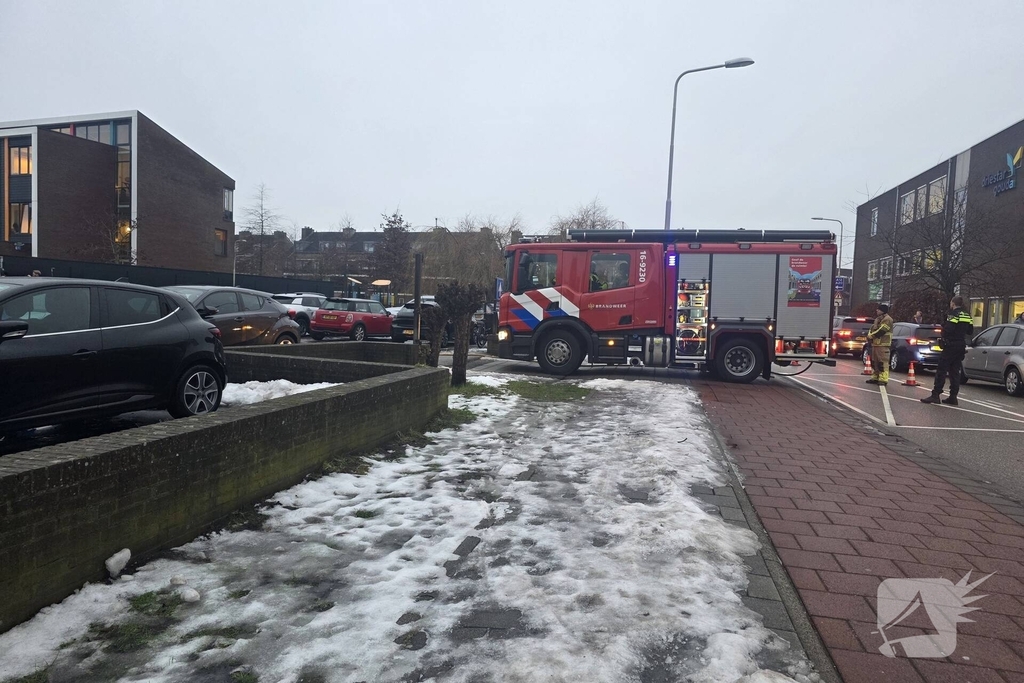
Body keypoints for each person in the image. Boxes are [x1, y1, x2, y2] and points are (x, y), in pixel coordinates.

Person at [921, 296, 974, 406]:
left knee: (942, 369)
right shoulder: (967, 314)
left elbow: (948, 330)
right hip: (960, 345)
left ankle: (936, 394)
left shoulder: (953, 314)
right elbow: (970, 331)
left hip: (951, 345)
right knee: (955, 371)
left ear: (953, 303)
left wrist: (944, 327)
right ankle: (953, 396)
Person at [866, 304, 894, 385]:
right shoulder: (877, 319)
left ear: (883, 311)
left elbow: (882, 331)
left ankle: (883, 378)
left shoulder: (888, 319)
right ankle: (875, 377)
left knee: (882, 362)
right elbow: (872, 328)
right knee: (875, 362)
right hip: (876, 344)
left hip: (883, 344)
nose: (876, 311)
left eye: (878, 309)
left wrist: (871, 336)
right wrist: (869, 335)